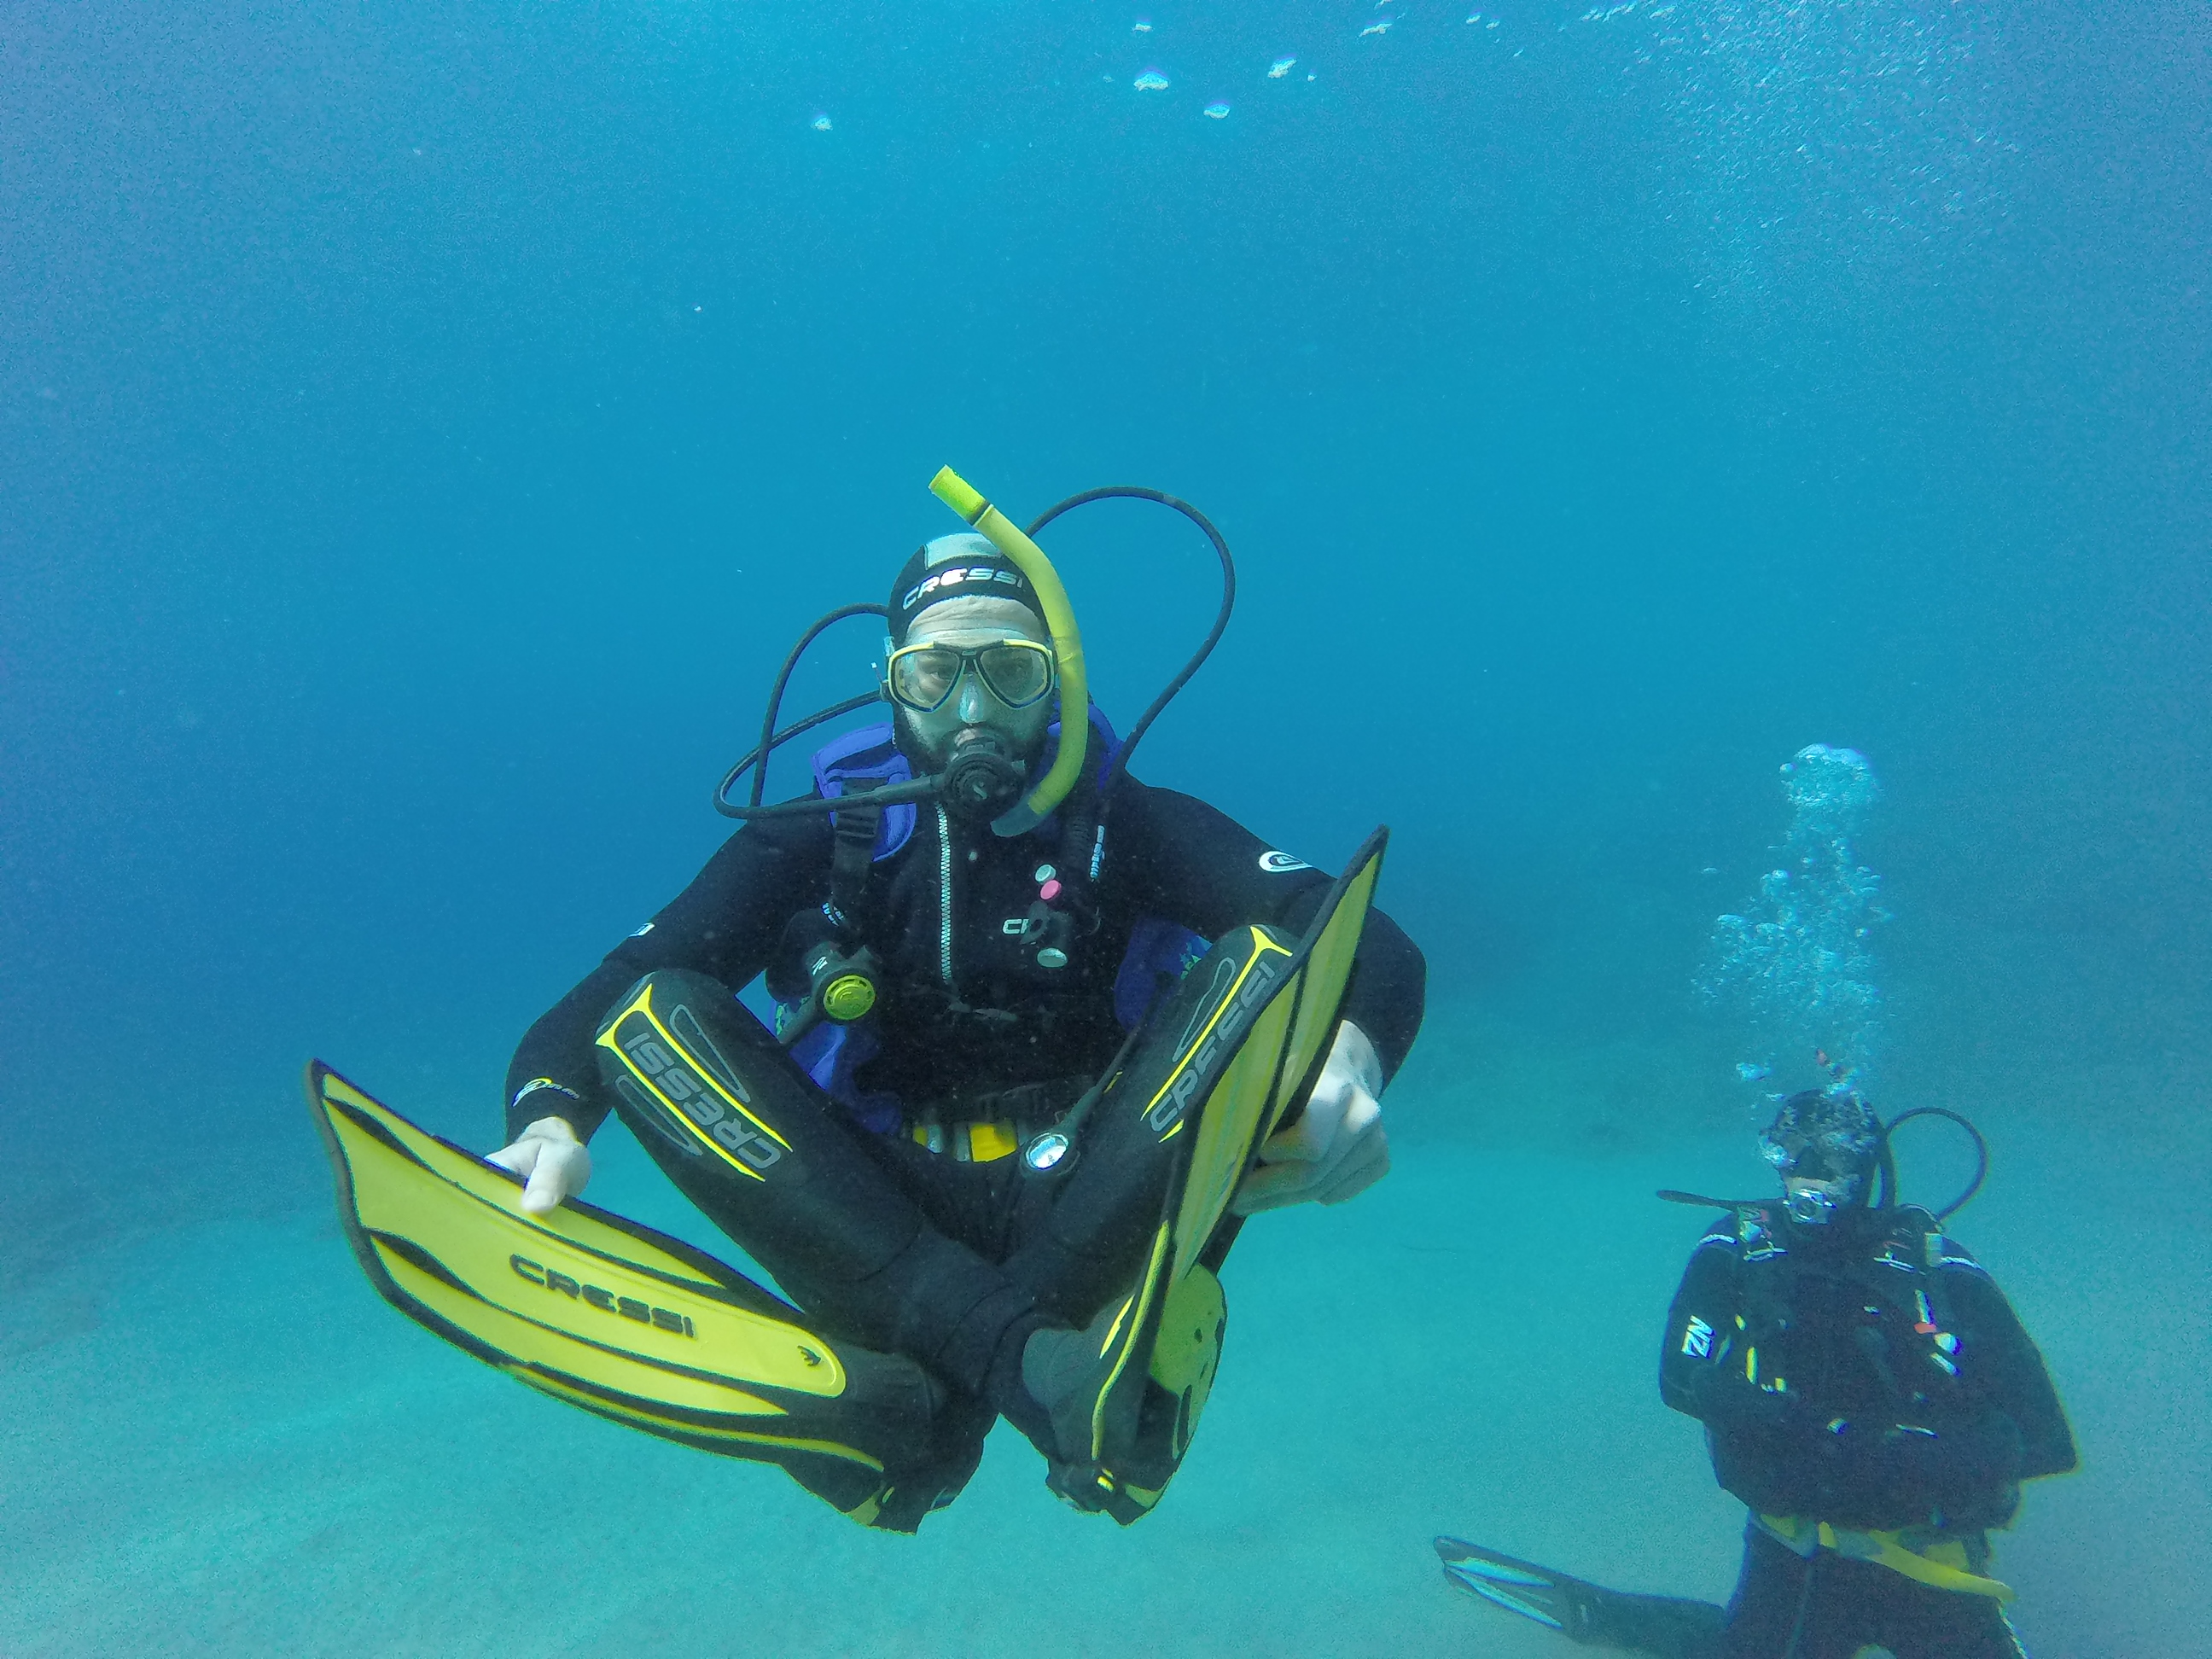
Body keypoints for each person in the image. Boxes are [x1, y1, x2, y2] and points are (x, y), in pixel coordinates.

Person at [482, 515, 1425, 1528]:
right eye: (935, 674)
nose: (973, 710)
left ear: (1058, 677)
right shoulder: (830, 830)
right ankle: (1071, 1384)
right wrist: (549, 1119)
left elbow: (1367, 940)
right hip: (878, 1203)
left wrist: (1346, 1064)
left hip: (1097, 1190)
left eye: (1010, 672)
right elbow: (624, 982)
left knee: (1270, 958)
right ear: (891, 679)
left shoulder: (1126, 822)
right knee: (654, 1015)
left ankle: (903, 1411)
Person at [1439, 1087, 2075, 1658]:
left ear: (1867, 1164)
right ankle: (1643, 1626)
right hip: (1796, 1552)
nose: (1807, 1173)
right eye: (1790, 1153)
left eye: (1831, 1157)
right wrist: (1786, 1423)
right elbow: (1679, 1374)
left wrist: (1908, 1457)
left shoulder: (1933, 1264)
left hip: (1930, 1558)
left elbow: (2044, 1435)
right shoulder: (1741, 1247)